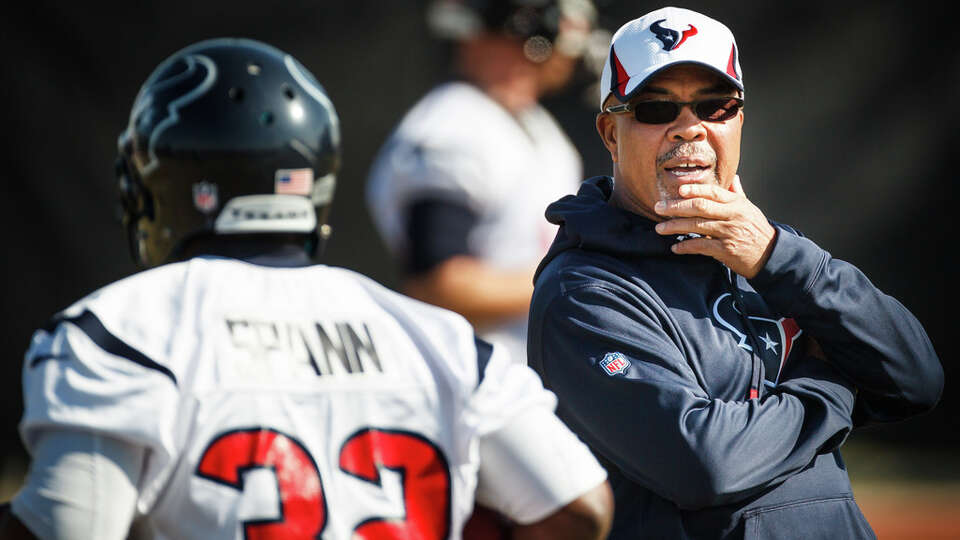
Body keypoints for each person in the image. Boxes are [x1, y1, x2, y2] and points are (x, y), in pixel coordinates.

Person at [0, 38, 613, 540]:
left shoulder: (119, 331)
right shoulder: (440, 340)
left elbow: (70, 528)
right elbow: (580, 507)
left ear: (173, 182)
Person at [527, 6, 944, 539]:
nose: (690, 129)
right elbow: (704, 464)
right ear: (611, 132)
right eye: (656, 109)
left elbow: (916, 379)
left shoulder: (770, 253)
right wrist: (831, 385)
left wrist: (778, 256)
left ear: (738, 120)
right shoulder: (583, 290)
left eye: (715, 106)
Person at [366, 0, 595, 364]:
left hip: (532, 376)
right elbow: (437, 286)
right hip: (476, 382)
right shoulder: (451, 126)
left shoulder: (531, 122)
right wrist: (580, 279)